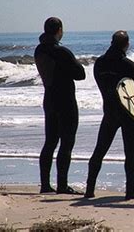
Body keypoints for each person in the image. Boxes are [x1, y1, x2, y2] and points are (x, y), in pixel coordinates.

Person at [85, 31, 134, 199]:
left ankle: (89, 190)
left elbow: (105, 86)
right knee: (130, 153)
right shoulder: (128, 65)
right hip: (128, 113)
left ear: (112, 42)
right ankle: (129, 192)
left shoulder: (99, 64)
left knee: (99, 150)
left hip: (109, 112)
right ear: (127, 44)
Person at [34, 17, 86, 194]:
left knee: (50, 142)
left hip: (49, 98)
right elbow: (80, 74)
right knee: (66, 143)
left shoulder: (39, 50)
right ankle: (62, 185)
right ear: (59, 30)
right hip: (65, 100)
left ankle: (45, 184)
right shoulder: (61, 51)